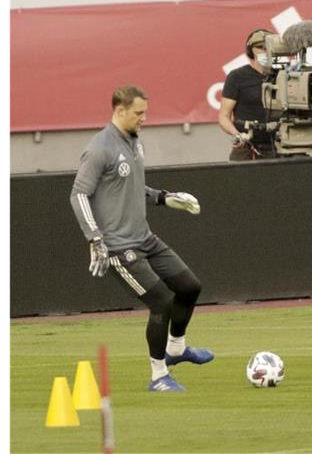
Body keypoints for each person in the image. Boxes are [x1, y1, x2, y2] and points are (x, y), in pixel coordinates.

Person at [70, 85, 214, 392]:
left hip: (145, 239)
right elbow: (79, 194)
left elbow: (132, 189)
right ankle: (158, 376)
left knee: (190, 287)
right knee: (162, 302)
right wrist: (95, 238)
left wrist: (165, 198)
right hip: (120, 248)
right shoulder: (100, 148)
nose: (144, 118)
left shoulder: (135, 142)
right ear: (119, 111)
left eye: (145, 112)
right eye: (138, 113)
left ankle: (176, 349)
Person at [218, 29, 281, 160]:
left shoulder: (283, 76)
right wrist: (237, 135)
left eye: (269, 47)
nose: (266, 51)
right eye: (261, 47)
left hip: (279, 147)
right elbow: (223, 116)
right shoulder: (237, 77)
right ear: (250, 51)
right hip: (247, 148)